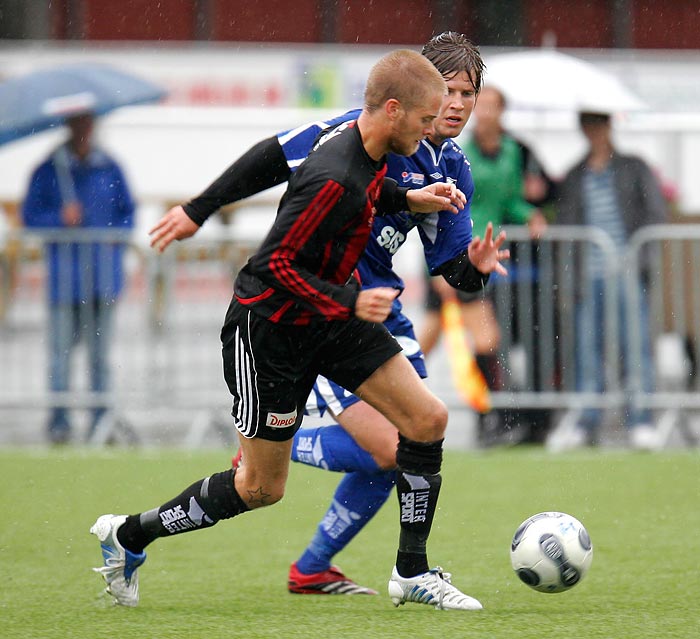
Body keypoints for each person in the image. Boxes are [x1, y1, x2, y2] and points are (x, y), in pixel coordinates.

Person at [91, 48, 493, 612]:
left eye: (461, 98)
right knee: (260, 489)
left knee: (426, 420)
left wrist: (419, 207)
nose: (440, 124)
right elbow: (274, 269)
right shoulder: (330, 172)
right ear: (397, 110)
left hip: (335, 317)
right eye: (431, 113)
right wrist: (200, 210)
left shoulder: (383, 153)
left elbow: (376, 191)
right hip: (271, 330)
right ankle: (130, 534)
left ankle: (412, 571)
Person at [418, 85, 546, 445]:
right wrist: (443, 266)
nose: (485, 111)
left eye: (491, 105)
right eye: (482, 104)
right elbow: (439, 209)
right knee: (441, 340)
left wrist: (532, 214)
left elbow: (509, 202)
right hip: (454, 252)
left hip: (478, 257)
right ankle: (492, 417)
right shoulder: (457, 152)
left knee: (448, 339)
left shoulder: (510, 152)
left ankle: (492, 418)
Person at [549, 110, 667, 451]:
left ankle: (641, 420)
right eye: (588, 125)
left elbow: (655, 212)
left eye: (598, 124)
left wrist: (641, 257)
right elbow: (567, 227)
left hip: (629, 271)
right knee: (587, 349)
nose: (594, 132)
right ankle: (587, 420)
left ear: (608, 126)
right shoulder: (575, 174)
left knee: (636, 346)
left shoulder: (633, 166)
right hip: (588, 275)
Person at [22, 112, 135, 444]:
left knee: (100, 357)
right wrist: (59, 218)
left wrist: (114, 238)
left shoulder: (110, 167)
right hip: (65, 280)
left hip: (102, 278)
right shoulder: (49, 170)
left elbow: (127, 213)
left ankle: (100, 421)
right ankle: (59, 422)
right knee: (60, 355)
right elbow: (30, 216)